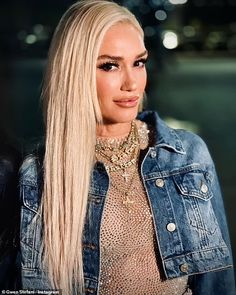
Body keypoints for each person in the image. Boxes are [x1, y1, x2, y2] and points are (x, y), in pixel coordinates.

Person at [17, 1, 235, 294]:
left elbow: (217, 280)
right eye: (110, 65)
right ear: (74, 73)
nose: (132, 83)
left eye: (139, 62)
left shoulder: (187, 154)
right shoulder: (38, 174)